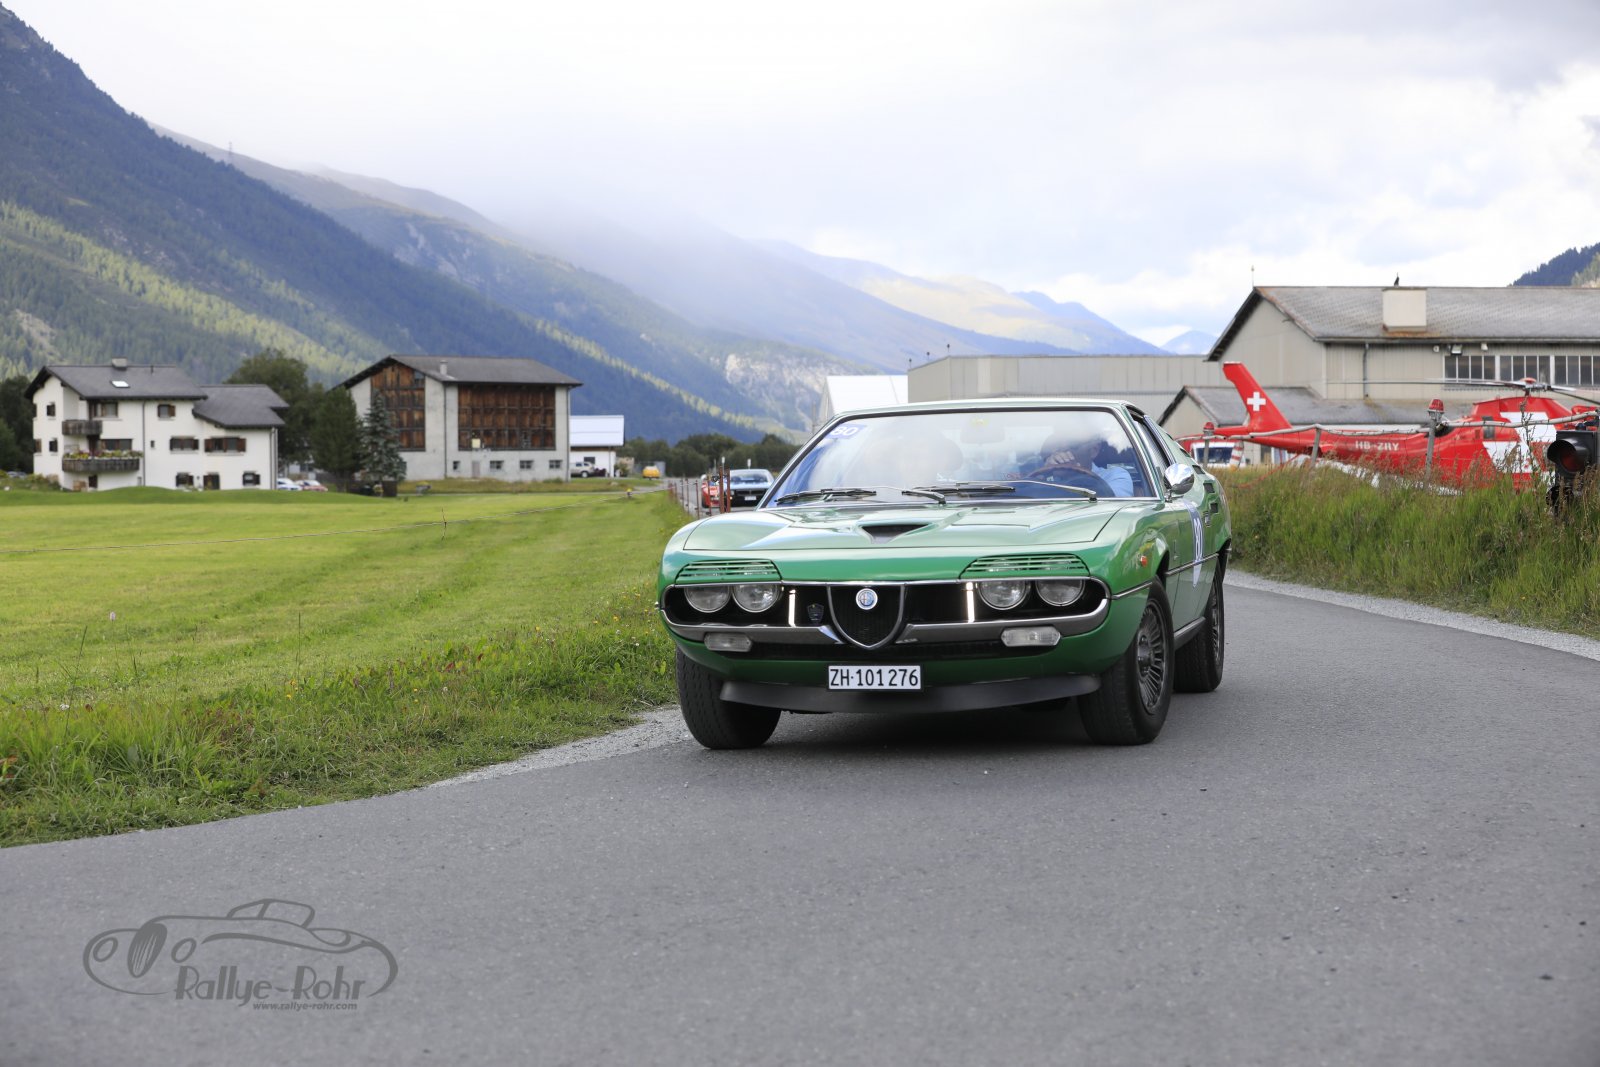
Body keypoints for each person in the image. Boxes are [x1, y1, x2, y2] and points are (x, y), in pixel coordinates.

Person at [1027, 437, 1134, 496]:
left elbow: (1114, 509)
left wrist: (1074, 475)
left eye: (1070, 448)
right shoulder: (1039, 478)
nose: (1059, 455)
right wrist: (1045, 476)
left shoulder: (1115, 476)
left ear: (1093, 450)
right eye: (1056, 451)